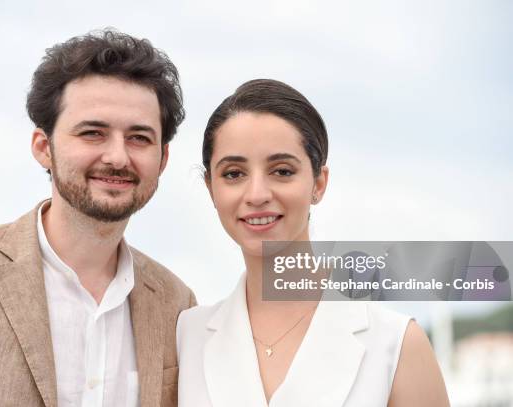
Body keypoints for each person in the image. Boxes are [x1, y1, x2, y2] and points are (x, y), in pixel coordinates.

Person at [0, 29, 195, 407]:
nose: (118, 157)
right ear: (44, 148)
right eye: (93, 133)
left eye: (139, 138)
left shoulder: (177, 304)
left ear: (163, 159)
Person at [176, 79, 450, 406]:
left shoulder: (396, 344)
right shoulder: (186, 336)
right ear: (211, 189)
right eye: (234, 174)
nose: (257, 195)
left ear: (318, 183)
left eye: (282, 171)